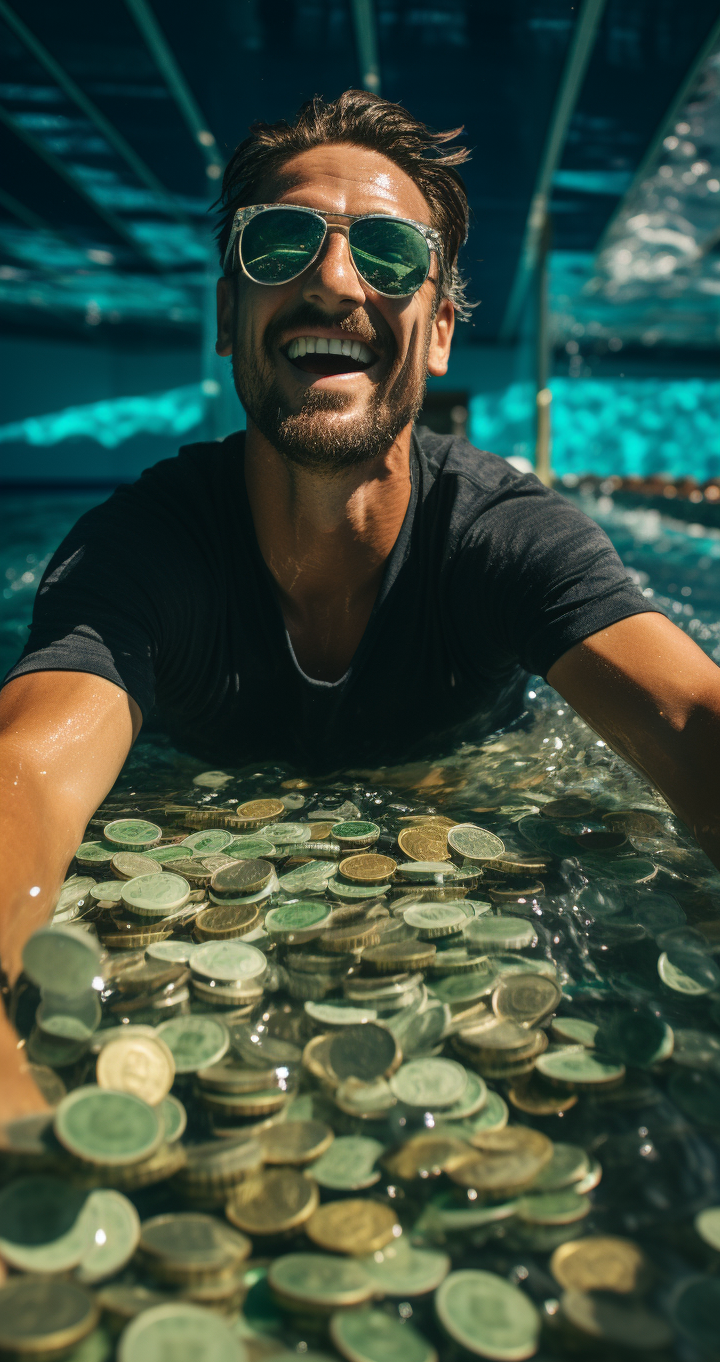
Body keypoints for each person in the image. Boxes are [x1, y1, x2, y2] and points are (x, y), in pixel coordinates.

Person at [2, 88, 720, 1127]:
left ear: (435, 335)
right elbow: (26, 768)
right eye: (282, 241)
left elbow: (692, 716)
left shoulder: (505, 535)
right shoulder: (139, 549)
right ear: (226, 316)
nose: (334, 280)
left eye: (388, 256)